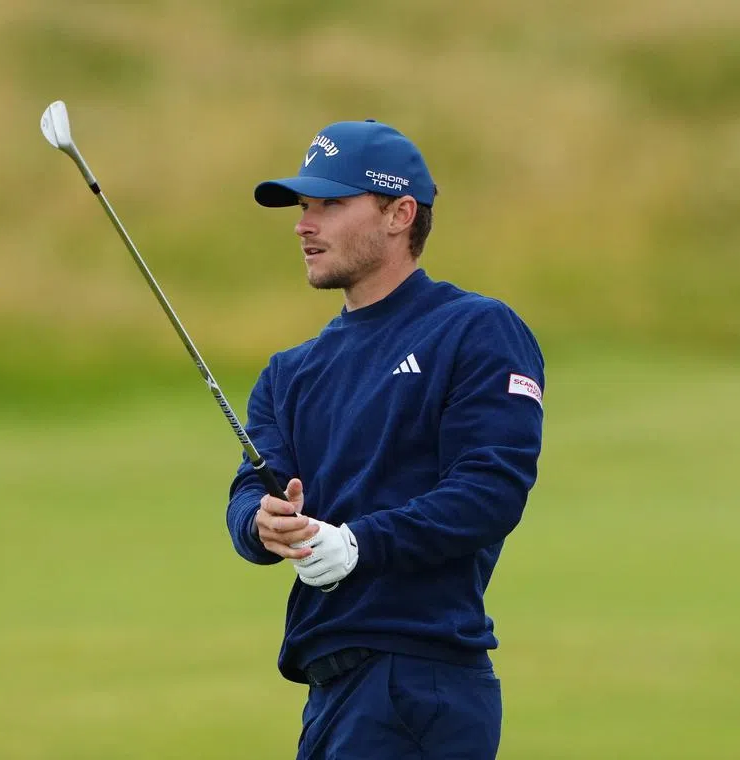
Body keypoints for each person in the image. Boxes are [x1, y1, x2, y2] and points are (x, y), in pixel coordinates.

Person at [225, 119, 545, 760]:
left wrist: (359, 543)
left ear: (400, 214)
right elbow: (249, 492)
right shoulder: (290, 372)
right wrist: (263, 523)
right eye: (304, 207)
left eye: (331, 205)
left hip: (419, 680)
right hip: (329, 693)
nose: (304, 224)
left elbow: (490, 491)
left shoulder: (473, 330)